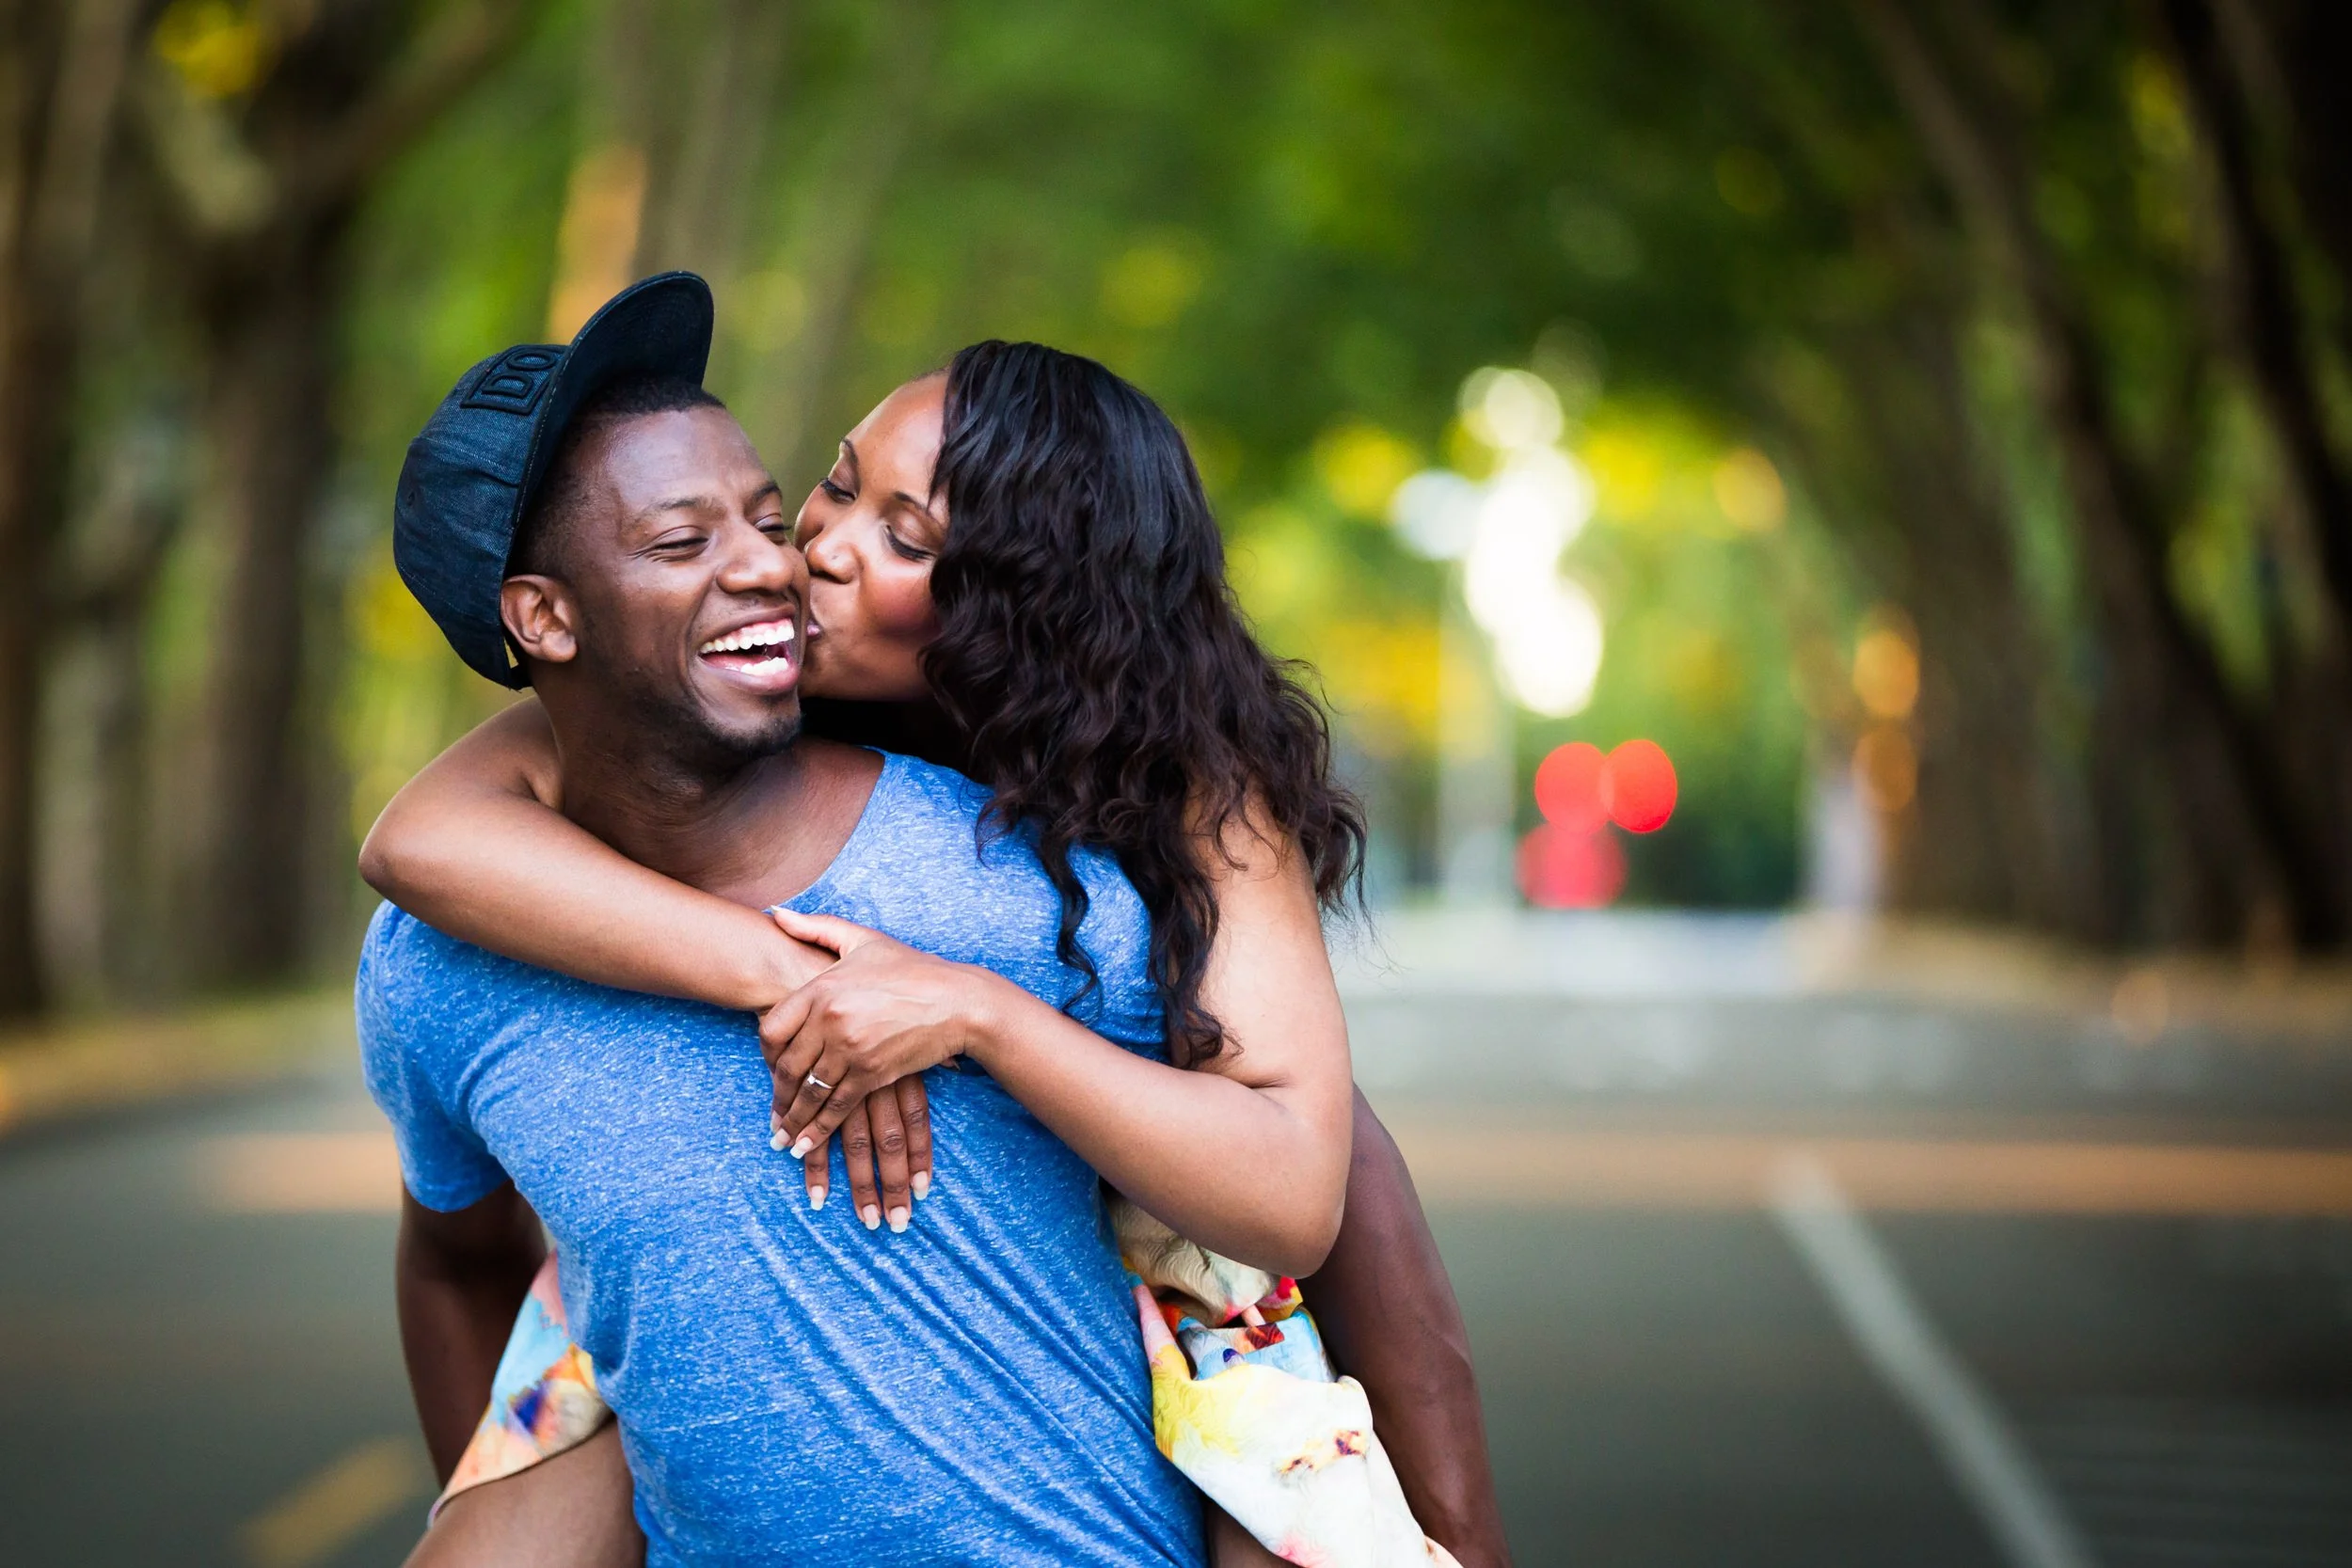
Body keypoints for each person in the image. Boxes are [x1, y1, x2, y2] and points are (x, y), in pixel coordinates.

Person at [371, 277, 1511, 1566]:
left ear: (1025, 606)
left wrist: (971, 1007)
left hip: (1179, 1250)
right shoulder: (738, 688)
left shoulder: (1173, 795)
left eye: (906, 537)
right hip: (680, 1301)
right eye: (837, 485)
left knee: (1276, 1432)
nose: (809, 550)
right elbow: (417, 836)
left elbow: (1322, 1177)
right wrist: (783, 974)